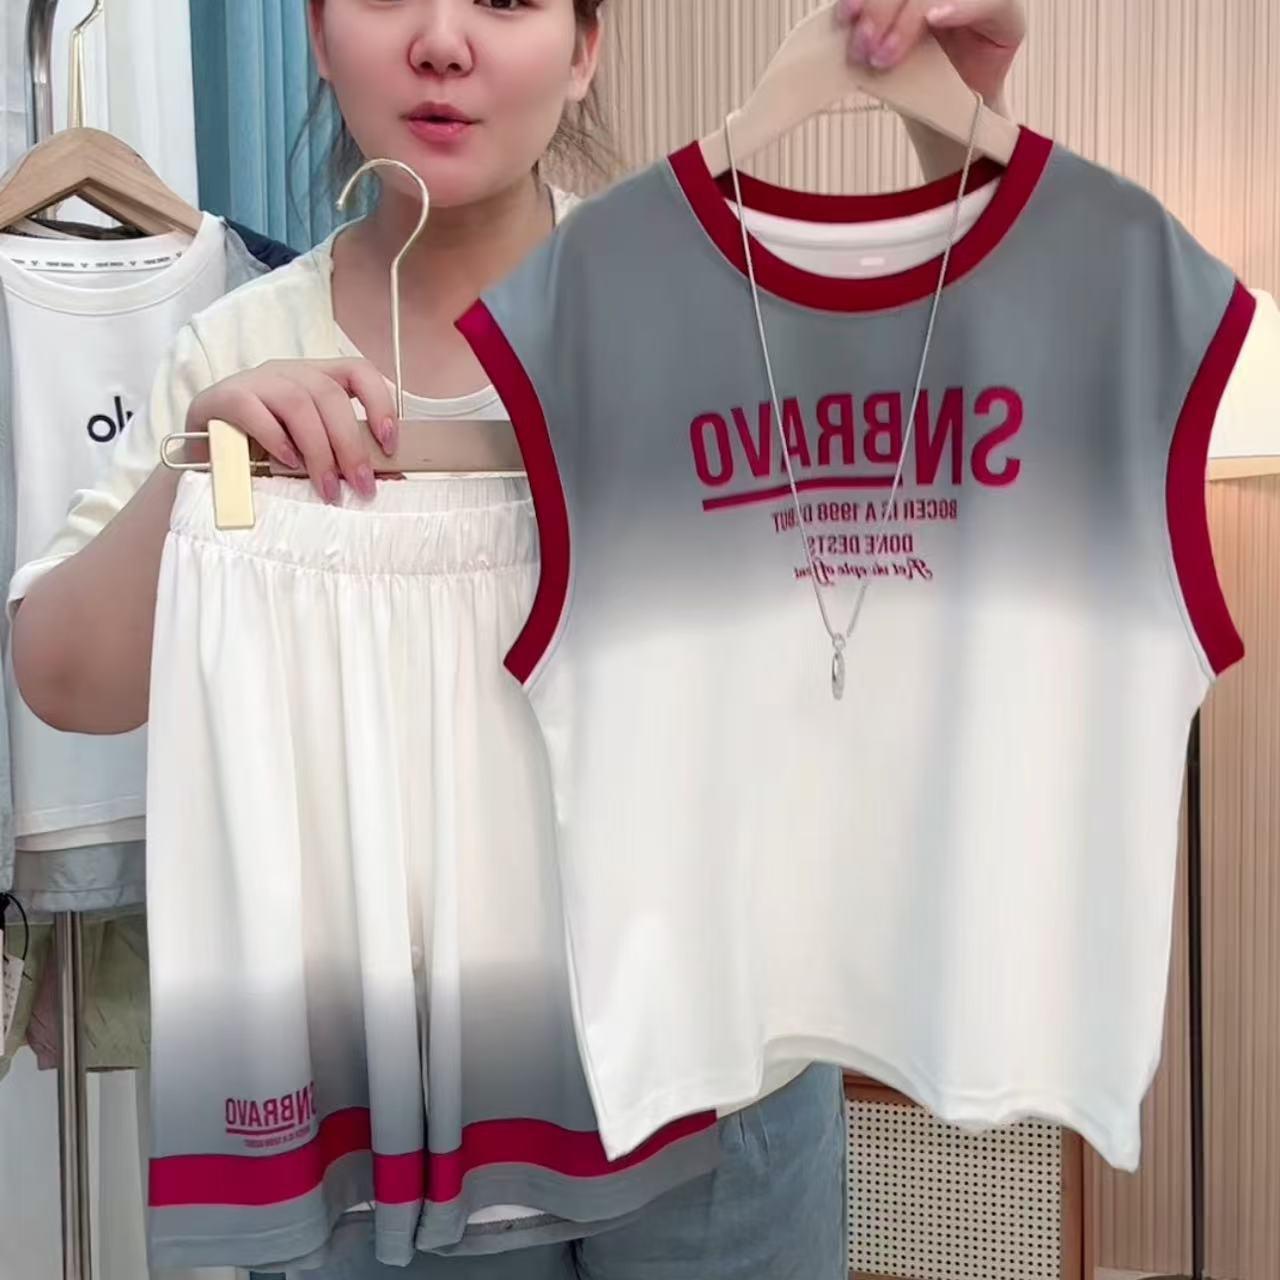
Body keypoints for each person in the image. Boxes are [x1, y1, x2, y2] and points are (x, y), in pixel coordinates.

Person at [11, 1, 1027, 1276]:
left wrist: (962, 122)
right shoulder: (241, 349)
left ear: (585, 46)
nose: (443, 42)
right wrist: (197, 465)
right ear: (317, 34)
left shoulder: (710, 305)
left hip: (721, 1054)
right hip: (397, 1086)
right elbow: (64, 675)